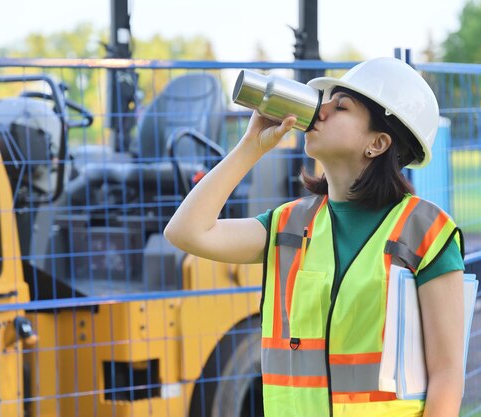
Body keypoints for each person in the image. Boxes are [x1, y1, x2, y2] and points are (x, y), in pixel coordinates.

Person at [164, 57, 465, 417]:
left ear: (378, 142)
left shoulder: (426, 232)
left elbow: (447, 374)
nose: (320, 111)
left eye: (341, 107)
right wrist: (251, 147)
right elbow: (186, 231)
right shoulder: (289, 225)